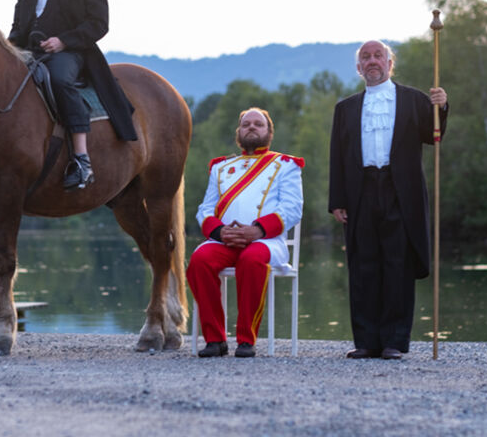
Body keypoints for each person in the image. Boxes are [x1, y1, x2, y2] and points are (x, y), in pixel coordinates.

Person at [328, 39, 448, 360]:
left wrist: (441, 106)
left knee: (398, 265)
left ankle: (395, 341)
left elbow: (433, 136)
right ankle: (367, 341)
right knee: (363, 264)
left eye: (378, 56)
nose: (372, 61)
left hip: (400, 191)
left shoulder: (414, 100)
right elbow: (337, 157)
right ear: (358, 68)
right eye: (365, 57)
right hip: (360, 190)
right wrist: (337, 200)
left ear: (389, 63)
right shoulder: (346, 108)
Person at [9, 0, 136, 188]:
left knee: (58, 79)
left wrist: (63, 41)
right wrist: (7, 49)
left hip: (73, 51)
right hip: (30, 50)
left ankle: (81, 159)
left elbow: (99, 23)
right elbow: (18, 24)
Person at [187, 107, 304, 358]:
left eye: (258, 124)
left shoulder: (285, 165)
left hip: (267, 241)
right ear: (238, 132)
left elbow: (292, 209)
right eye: (246, 124)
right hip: (225, 240)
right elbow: (205, 208)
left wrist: (258, 230)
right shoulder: (220, 167)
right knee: (199, 260)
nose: (252, 127)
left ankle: (246, 339)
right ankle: (215, 339)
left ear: (268, 132)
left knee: (251, 259)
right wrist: (219, 233)